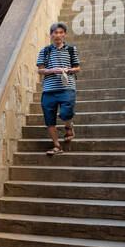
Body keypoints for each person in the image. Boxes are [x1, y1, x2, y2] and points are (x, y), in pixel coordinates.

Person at [37, 21, 80, 155]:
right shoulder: (45, 51)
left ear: (65, 35)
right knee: (49, 119)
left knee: (66, 112)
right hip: (49, 90)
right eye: (55, 32)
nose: (58, 35)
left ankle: (68, 126)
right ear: (51, 35)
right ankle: (56, 146)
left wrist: (69, 70)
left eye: (61, 33)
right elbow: (40, 70)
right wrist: (53, 70)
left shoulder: (72, 49)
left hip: (67, 87)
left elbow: (77, 67)